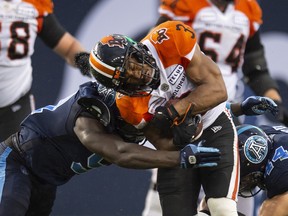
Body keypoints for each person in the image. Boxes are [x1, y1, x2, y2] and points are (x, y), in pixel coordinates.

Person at [145, 0, 288, 215]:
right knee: (172, 182)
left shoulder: (246, 9)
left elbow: (255, 64)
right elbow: (152, 54)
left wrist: (275, 101)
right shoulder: (185, 5)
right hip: (187, 110)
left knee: (235, 187)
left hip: (225, 113)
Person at [0, 80, 222, 215]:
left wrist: (238, 108)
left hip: (47, 180)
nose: (138, 119)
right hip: (16, 162)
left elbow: (179, 111)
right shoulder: (86, 119)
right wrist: (180, 159)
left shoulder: (132, 113)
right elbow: (121, 153)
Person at [89, 20, 241, 215]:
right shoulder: (128, 104)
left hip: (214, 124)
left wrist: (175, 111)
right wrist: (179, 136)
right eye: (126, 77)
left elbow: (218, 90)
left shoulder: (169, 38)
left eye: (132, 63)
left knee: (222, 208)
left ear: (135, 48)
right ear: (120, 87)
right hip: (181, 151)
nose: (137, 73)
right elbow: (163, 144)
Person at [0, 0, 91, 141]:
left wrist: (87, 63)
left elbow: (67, 47)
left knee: (17, 159)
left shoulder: (32, 5)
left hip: (16, 101)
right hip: (15, 100)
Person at [235, 123, 288, 216]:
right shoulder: (260, 134)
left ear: (261, 165)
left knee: (269, 208)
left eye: (243, 177)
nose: (242, 181)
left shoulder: (278, 172)